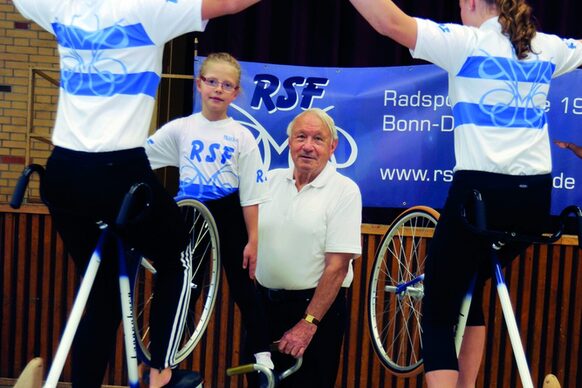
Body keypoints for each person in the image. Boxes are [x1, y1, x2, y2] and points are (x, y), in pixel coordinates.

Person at [11, 1, 261, 388]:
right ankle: (161, 370)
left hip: (61, 173)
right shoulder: (148, 11)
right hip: (116, 172)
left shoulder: (62, 8)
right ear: (200, 83)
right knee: (179, 255)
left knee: (102, 287)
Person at [349, 0, 582, 387]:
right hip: (535, 200)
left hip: (481, 195)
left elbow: (388, 21)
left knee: (439, 308)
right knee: (467, 285)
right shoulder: (547, 46)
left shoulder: (466, 42)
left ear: (472, 3)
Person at [145, 52, 273, 387]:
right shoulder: (181, 127)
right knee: (185, 285)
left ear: (236, 93)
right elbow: (144, 158)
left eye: (226, 85)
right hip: (189, 212)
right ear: (200, 84)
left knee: (244, 285)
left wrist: (253, 239)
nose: (218, 89)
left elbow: (251, 193)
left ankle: (263, 358)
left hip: (227, 210)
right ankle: (167, 360)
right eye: (212, 81)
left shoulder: (242, 135)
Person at [255, 108, 362, 387]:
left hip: (314, 313)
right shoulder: (267, 182)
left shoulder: (345, 191)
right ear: (289, 142)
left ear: (332, 146)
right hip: (264, 308)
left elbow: (337, 268)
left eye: (318, 139)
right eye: (301, 136)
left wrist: (307, 324)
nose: (308, 146)